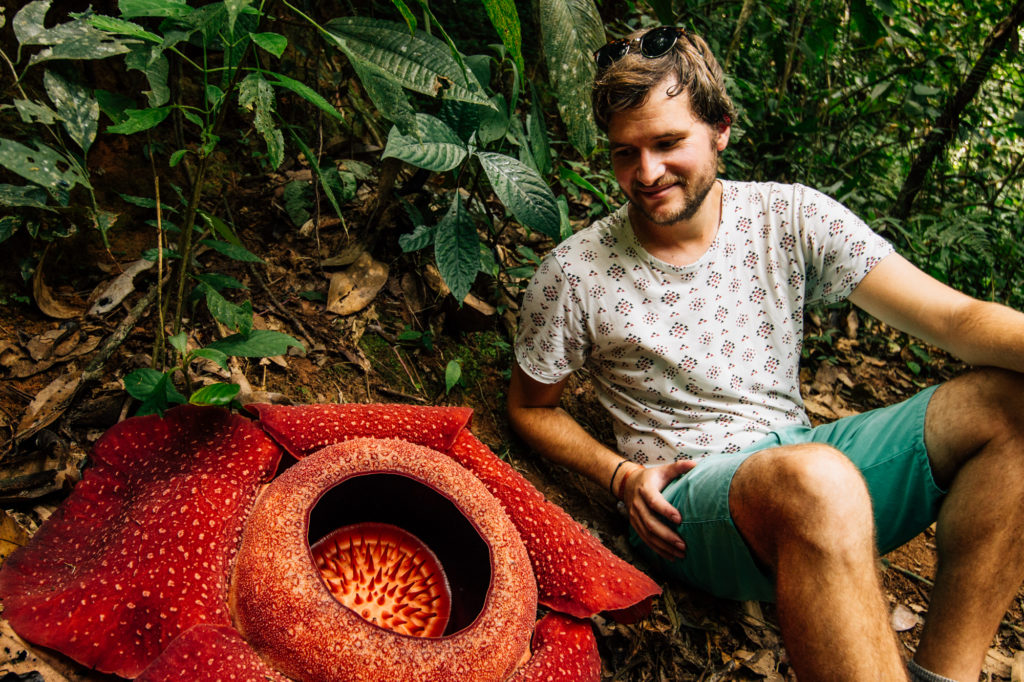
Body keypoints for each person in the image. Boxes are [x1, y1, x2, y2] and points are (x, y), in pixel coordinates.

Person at [507, 25, 1024, 682]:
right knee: (815, 476)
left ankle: (945, 674)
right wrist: (619, 476)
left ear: (719, 128)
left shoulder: (789, 216)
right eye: (623, 154)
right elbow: (529, 406)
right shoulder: (575, 273)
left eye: (668, 143)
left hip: (806, 475)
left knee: (1010, 403)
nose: (646, 173)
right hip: (692, 500)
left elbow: (954, 317)